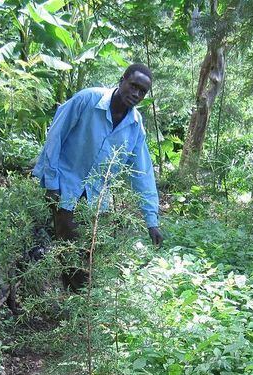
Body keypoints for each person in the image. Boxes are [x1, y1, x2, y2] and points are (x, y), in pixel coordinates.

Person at [32, 63, 164, 290]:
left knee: (90, 253)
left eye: (142, 91)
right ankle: (79, 307)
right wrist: (51, 183)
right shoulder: (87, 100)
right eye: (133, 86)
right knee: (72, 252)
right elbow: (55, 136)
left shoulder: (135, 125)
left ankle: (77, 304)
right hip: (66, 188)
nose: (136, 94)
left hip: (97, 200)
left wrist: (151, 221)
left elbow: (142, 172)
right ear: (121, 80)